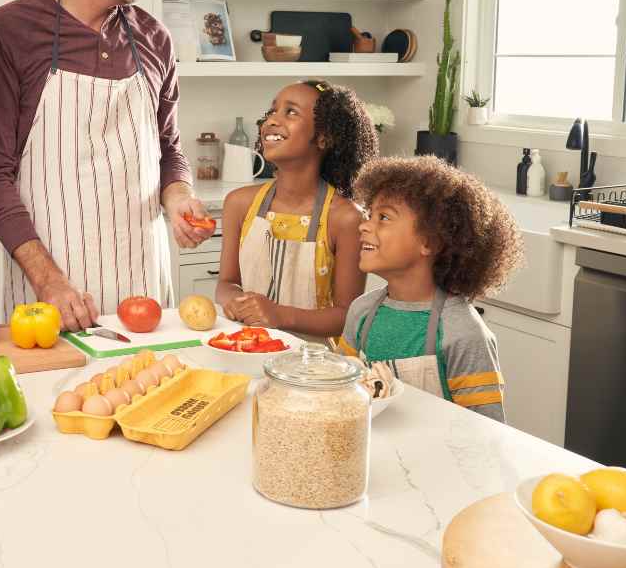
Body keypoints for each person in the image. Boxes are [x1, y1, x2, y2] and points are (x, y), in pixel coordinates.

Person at [0, 0, 214, 329]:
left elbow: (170, 150)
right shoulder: (10, 31)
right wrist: (49, 282)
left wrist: (179, 195)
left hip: (147, 296)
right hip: (49, 299)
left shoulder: (155, 39)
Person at [338, 156, 524, 422]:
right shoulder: (362, 312)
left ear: (430, 242)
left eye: (384, 217)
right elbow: (339, 390)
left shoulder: (462, 333)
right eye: (369, 215)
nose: (364, 225)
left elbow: (488, 432)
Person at [215, 80, 377, 344]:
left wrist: (279, 315)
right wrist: (235, 300)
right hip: (245, 347)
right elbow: (226, 283)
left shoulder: (345, 218)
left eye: (291, 112)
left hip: (313, 366)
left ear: (324, 137)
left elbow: (347, 316)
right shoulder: (238, 204)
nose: (271, 121)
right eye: (272, 111)